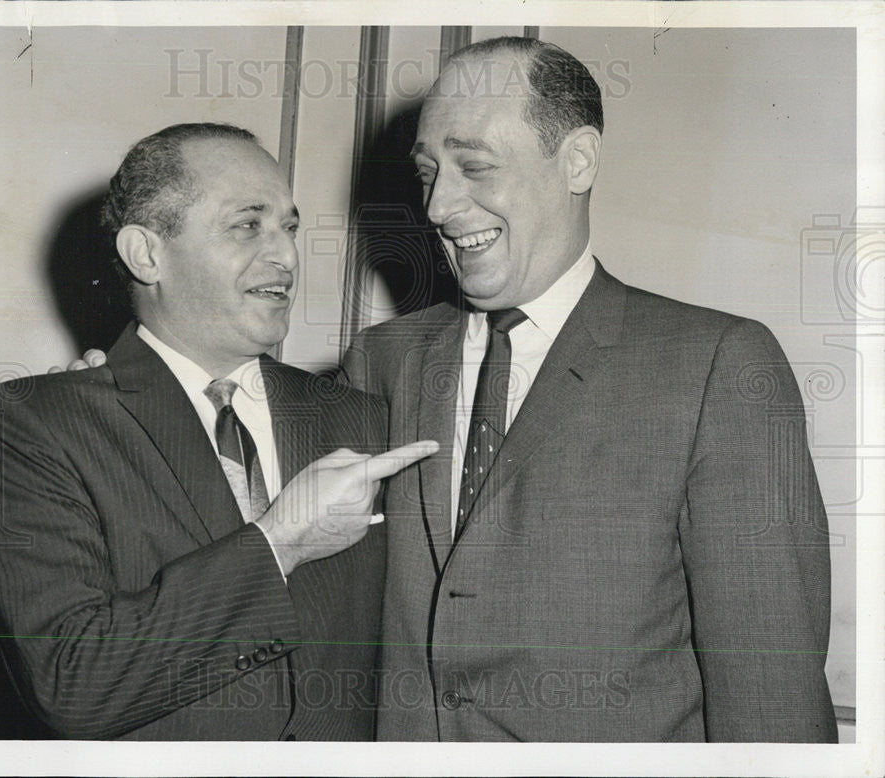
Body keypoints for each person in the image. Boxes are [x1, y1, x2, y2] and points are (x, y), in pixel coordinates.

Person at [340, 37, 837, 741]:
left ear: (577, 161)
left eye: (474, 166)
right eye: (428, 173)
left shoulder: (715, 367)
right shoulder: (380, 359)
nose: (440, 206)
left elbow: (770, 693)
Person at [0, 122, 437, 740]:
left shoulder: (364, 418)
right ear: (146, 254)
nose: (286, 254)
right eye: (248, 224)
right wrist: (280, 540)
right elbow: (74, 682)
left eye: (289, 227)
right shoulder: (30, 424)